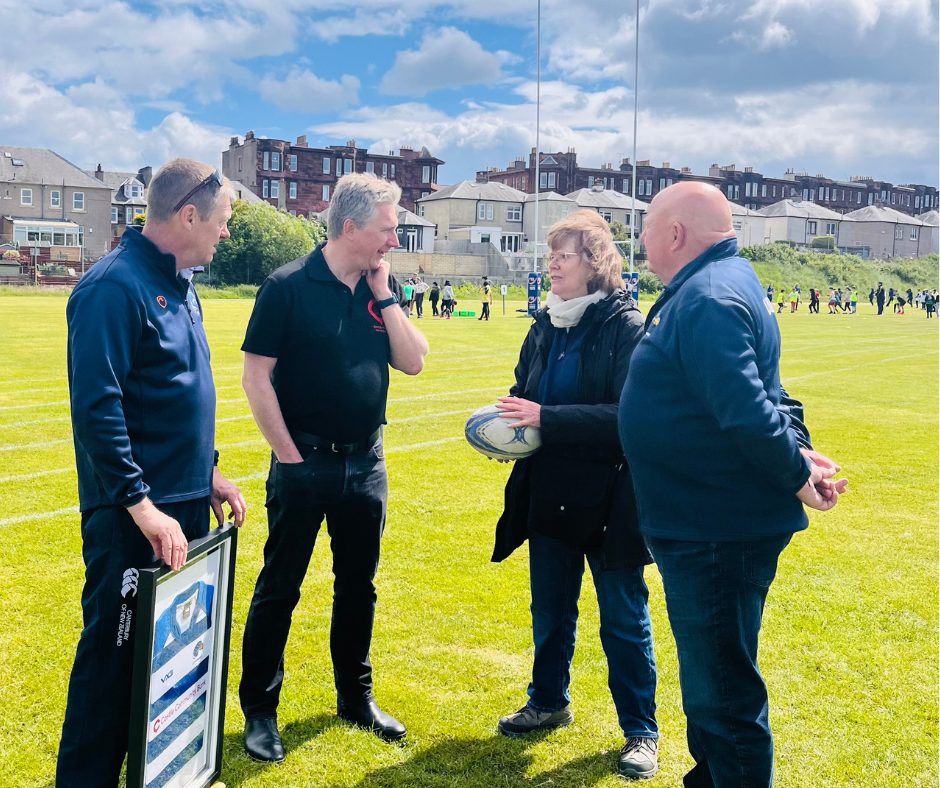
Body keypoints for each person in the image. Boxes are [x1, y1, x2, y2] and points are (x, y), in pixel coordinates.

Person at [619, 181, 847, 788]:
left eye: (645, 230)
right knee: (712, 688)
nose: (640, 243)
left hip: (715, 528)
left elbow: (746, 408)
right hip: (706, 521)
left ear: (675, 235)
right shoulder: (717, 285)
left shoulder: (709, 297)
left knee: (722, 696)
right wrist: (797, 449)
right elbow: (770, 393)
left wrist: (797, 473)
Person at [57, 159, 247, 788]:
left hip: (185, 505)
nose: (225, 234)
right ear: (188, 215)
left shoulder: (180, 283)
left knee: (169, 666)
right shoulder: (113, 287)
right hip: (135, 518)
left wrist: (210, 471)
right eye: (221, 222)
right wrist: (141, 505)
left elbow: (175, 394)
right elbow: (97, 408)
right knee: (112, 669)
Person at [238, 173, 429, 761]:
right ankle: (260, 712)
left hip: (366, 464)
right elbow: (256, 376)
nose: (393, 240)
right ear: (351, 227)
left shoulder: (380, 288)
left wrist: (387, 293)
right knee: (280, 589)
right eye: (387, 229)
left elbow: (414, 362)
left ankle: (355, 697)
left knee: (358, 587)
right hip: (304, 466)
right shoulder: (287, 286)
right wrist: (290, 459)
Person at [491, 210, 658, 779]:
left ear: (595, 263)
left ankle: (641, 731)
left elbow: (630, 418)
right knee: (551, 610)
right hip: (550, 490)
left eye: (563, 256)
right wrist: (506, 430)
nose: (552, 265)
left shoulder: (626, 326)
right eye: (551, 256)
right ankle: (547, 702)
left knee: (622, 617)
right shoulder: (543, 326)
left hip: (611, 495)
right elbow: (523, 396)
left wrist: (548, 417)